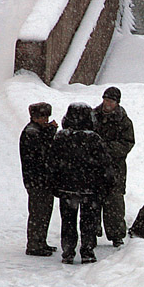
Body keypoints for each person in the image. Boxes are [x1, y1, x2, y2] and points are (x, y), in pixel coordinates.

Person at [51, 103, 114, 264]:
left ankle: (68, 251)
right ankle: (87, 250)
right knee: (88, 221)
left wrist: (54, 183)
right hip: (90, 189)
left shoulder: (60, 137)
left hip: (66, 188)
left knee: (68, 221)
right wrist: (107, 184)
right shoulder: (94, 139)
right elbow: (105, 164)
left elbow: (53, 163)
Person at [93, 86, 134, 247]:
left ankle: (116, 235)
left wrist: (105, 148)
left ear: (117, 103)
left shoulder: (124, 121)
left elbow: (127, 143)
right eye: (105, 100)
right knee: (93, 202)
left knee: (114, 202)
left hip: (115, 169)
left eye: (110, 101)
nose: (107, 104)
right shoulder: (93, 116)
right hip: (95, 168)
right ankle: (92, 232)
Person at [19, 102, 58, 256]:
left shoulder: (36, 130)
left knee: (43, 211)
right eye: (43, 117)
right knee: (38, 212)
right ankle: (35, 244)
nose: (46, 120)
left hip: (40, 179)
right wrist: (51, 131)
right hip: (37, 180)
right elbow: (43, 152)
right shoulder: (32, 133)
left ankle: (40, 241)